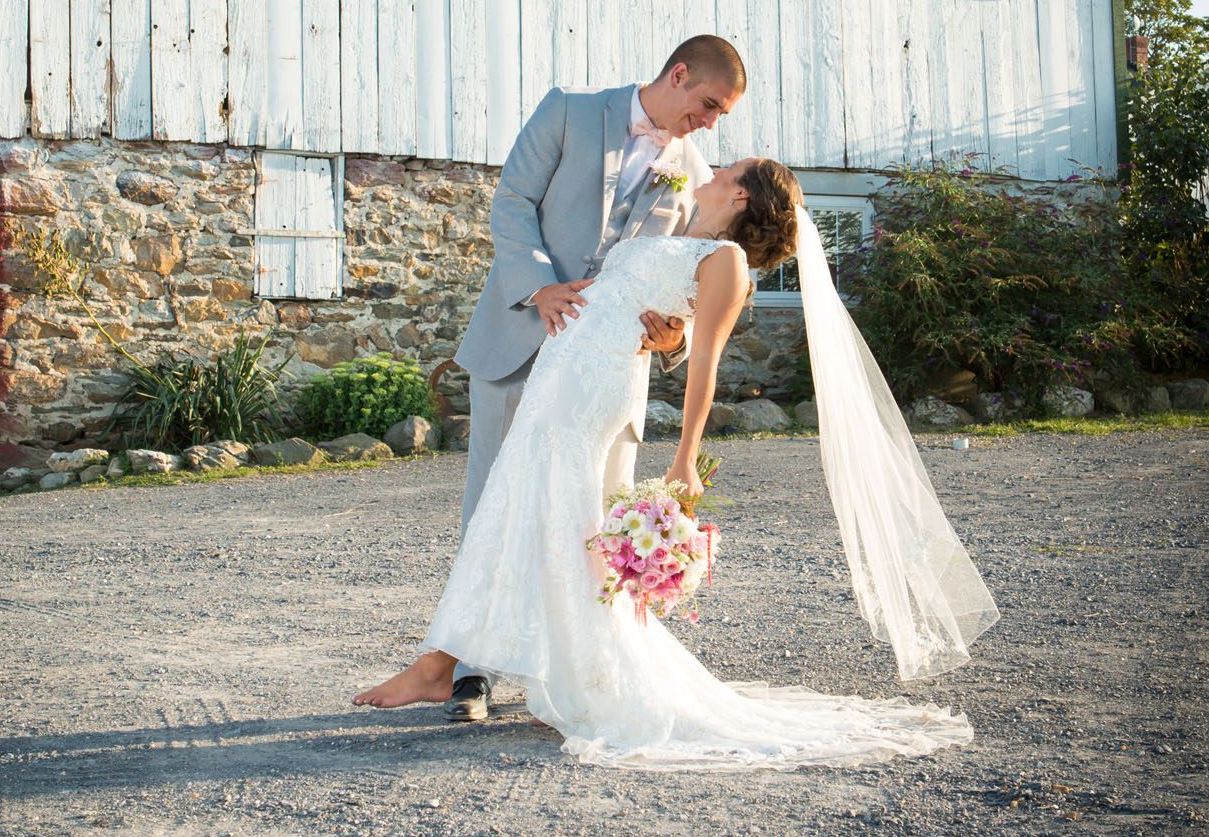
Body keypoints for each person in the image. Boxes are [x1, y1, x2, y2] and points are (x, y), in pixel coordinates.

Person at [353, 159, 1001, 772]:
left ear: (742, 193)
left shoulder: (725, 261)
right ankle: (468, 663)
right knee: (516, 512)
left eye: (729, 169)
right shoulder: (679, 231)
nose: (713, 171)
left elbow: (706, 361)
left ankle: (500, 668)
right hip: (560, 375)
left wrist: (687, 452)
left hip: (592, 392)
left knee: (555, 523)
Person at [442, 36, 747, 721]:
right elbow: (512, 202)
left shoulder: (694, 171)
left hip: (606, 374)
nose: (710, 122)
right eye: (707, 104)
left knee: (592, 519)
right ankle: (473, 671)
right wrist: (540, 289)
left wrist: (675, 337)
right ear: (677, 75)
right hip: (522, 339)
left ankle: (582, 669)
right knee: (494, 504)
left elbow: (693, 277)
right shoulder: (567, 113)